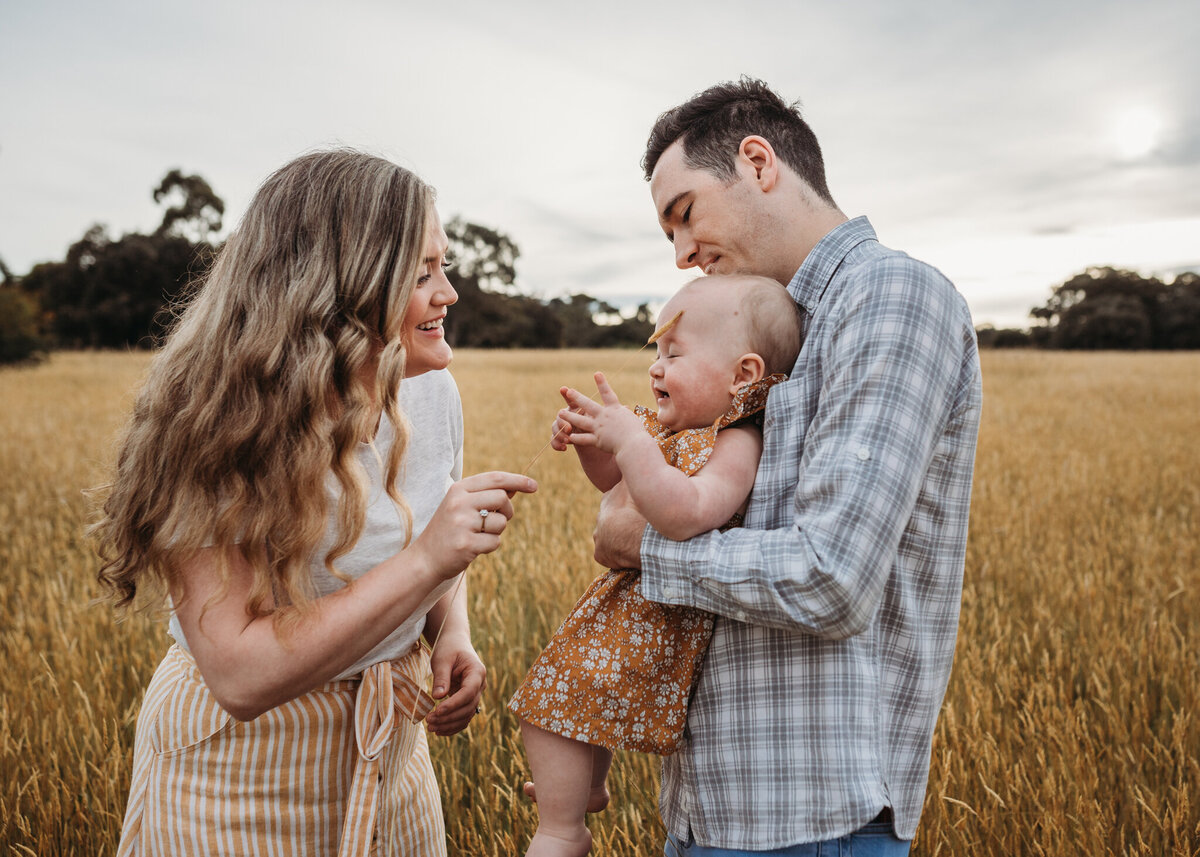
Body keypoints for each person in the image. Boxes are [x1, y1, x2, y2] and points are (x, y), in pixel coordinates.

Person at [91, 148, 537, 856]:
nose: (448, 292)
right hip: (236, 774)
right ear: (340, 286)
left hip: (390, 753)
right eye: (421, 274)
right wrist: (427, 565)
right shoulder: (211, 421)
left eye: (441, 266)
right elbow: (237, 672)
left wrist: (450, 630)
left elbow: (428, 541)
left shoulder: (428, 391)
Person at [589, 78, 983, 855]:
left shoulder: (887, 296)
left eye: (686, 213)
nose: (681, 254)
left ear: (759, 162)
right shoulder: (767, 328)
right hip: (713, 813)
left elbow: (832, 576)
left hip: (813, 824)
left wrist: (651, 546)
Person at [510, 274, 803, 857]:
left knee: (548, 708)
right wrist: (598, 443)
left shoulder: (736, 441)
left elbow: (685, 513)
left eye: (675, 353)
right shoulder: (674, 431)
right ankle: (584, 787)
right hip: (640, 612)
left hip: (659, 621)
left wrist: (632, 443)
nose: (656, 367)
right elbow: (614, 485)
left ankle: (562, 830)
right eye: (657, 354)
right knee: (569, 704)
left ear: (743, 374)